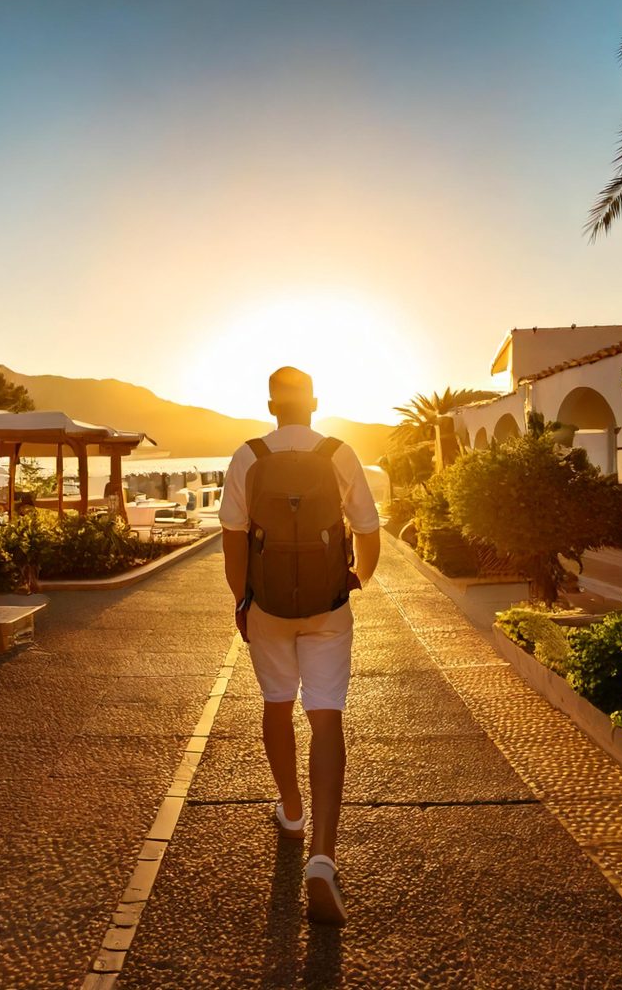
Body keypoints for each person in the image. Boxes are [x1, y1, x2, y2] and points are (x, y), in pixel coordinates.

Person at [219, 366, 381, 926]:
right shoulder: (339, 452)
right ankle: (323, 856)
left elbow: (233, 540)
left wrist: (243, 601)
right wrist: (356, 577)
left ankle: (291, 812)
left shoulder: (248, 456)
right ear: (314, 402)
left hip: (267, 610)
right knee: (327, 717)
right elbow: (367, 530)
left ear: (270, 405)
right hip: (328, 607)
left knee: (276, 703)